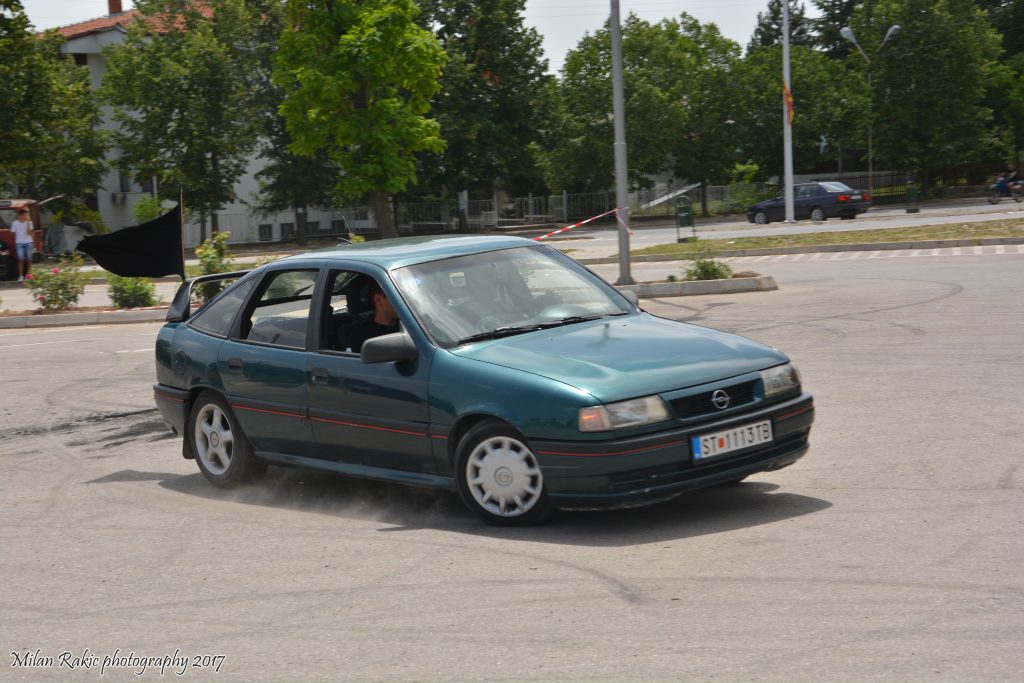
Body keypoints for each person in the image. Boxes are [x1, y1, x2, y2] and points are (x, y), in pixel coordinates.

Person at [337, 279, 400, 353]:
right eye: (397, 297)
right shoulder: (360, 333)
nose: (403, 302)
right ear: (378, 299)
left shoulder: (407, 324)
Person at [10, 208, 35, 281]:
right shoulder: (15, 223)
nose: (26, 216)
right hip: (19, 243)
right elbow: (12, 234)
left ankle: (29, 276)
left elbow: (29, 233)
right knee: (20, 260)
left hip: (28, 242)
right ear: (20, 215)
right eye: (25, 215)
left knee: (29, 260)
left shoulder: (29, 222)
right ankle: (21, 276)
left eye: (27, 215)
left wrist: (28, 223)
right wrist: (18, 238)